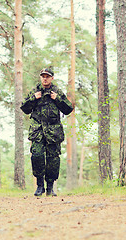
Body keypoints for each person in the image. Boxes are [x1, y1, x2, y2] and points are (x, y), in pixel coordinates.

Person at [21, 67, 73, 196]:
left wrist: (58, 99)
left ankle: (50, 187)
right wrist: (33, 98)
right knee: (37, 156)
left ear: (52, 78)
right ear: (40, 78)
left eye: (47, 76)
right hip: (38, 130)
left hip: (53, 131)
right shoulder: (35, 91)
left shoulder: (57, 92)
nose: (45, 78)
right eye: (43, 76)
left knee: (53, 159)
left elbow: (68, 109)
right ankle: (39, 186)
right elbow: (25, 109)